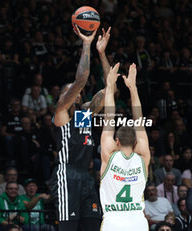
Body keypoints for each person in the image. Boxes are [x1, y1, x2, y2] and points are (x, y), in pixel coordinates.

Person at [50, 27, 110, 231]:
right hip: (67, 174)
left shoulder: (83, 115)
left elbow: (110, 89)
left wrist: (102, 54)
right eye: (69, 91)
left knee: (93, 225)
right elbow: (81, 79)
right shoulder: (61, 113)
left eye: (75, 92)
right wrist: (86, 44)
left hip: (86, 175)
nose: (75, 93)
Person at [99, 62, 150, 231]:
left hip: (113, 221)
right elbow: (139, 121)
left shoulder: (109, 154)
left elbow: (109, 118)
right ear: (136, 142)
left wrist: (110, 85)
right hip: (138, 222)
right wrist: (133, 88)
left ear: (117, 141)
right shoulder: (143, 158)